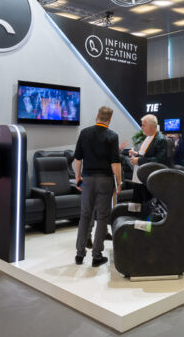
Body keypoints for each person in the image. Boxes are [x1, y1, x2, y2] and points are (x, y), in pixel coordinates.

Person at [73, 106, 122, 267]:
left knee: (85, 215)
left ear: (97, 116)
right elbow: (115, 164)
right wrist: (119, 182)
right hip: (105, 180)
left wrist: (77, 177)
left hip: (87, 179)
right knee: (102, 217)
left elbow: (77, 159)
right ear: (110, 119)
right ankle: (96, 256)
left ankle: (79, 254)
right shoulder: (112, 136)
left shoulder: (84, 133)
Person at [128, 114, 167, 204]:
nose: (141, 127)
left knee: (145, 203)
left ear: (151, 126)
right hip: (140, 176)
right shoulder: (148, 137)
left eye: (143, 125)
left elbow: (158, 160)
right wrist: (137, 154)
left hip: (149, 178)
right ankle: (134, 213)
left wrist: (138, 160)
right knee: (136, 201)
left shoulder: (160, 139)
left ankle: (141, 213)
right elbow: (146, 154)